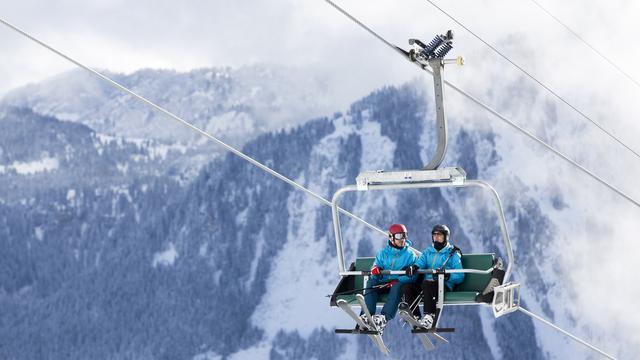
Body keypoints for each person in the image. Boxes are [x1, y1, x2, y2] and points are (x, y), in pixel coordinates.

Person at [399, 224, 464, 329]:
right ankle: (415, 316)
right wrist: (414, 267)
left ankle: (430, 315)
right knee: (406, 287)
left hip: (443, 285)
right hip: (427, 286)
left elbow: (460, 275)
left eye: (440, 235)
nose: (436, 237)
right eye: (434, 235)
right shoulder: (428, 252)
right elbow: (420, 262)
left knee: (428, 283)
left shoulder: (452, 254)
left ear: (446, 237)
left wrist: (447, 276)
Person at [360, 223, 417, 331]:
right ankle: (367, 315)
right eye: (399, 236)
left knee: (398, 286)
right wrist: (375, 270)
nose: (403, 239)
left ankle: (383, 318)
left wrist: (398, 280)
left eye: (405, 235)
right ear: (391, 237)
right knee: (371, 282)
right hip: (383, 283)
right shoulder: (383, 253)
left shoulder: (410, 255)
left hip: (397, 284)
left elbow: (413, 277)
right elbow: (375, 267)